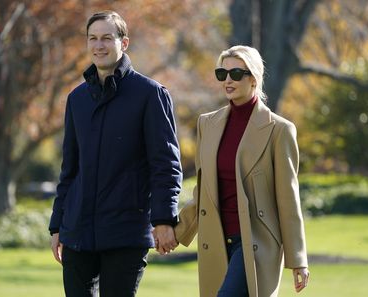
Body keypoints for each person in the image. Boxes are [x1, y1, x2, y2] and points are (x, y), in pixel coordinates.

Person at [48, 10, 182, 297]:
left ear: (125, 43)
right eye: (93, 38)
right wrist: (57, 224)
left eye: (107, 38)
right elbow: (69, 169)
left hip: (126, 231)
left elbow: (166, 164)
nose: (99, 45)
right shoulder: (77, 99)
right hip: (77, 232)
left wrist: (164, 219)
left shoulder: (150, 94)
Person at [172, 45, 309, 297]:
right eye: (221, 74)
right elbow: (205, 191)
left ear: (254, 78)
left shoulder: (279, 130)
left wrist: (298, 258)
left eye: (235, 73)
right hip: (215, 240)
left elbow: (288, 199)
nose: (227, 80)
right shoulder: (207, 124)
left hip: (256, 243)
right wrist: (177, 231)